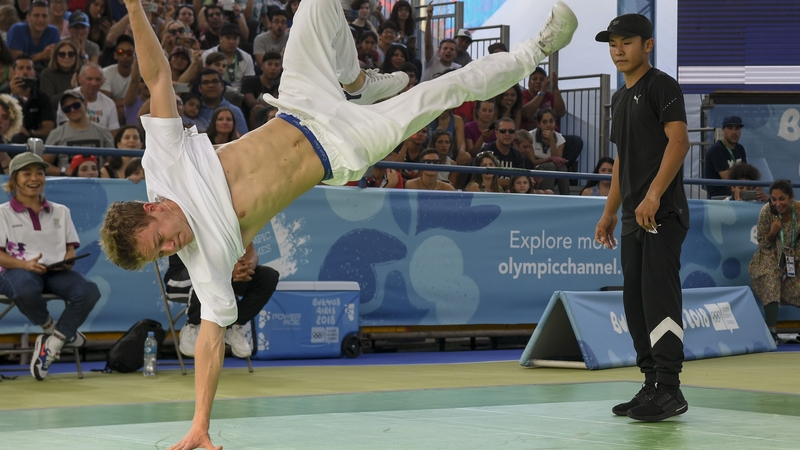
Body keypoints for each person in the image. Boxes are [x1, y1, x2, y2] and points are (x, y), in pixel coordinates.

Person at [100, 1, 576, 448]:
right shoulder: (203, 261)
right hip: (343, 146)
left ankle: (356, 80)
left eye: (160, 240)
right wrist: (200, 424)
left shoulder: (164, 163)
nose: (172, 248)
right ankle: (539, 48)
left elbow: (157, 76)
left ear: (151, 208)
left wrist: (135, 7)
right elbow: (208, 343)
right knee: (444, 91)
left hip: (301, 104)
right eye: (162, 254)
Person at [593, 14, 690, 422]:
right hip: (634, 218)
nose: (618, 50)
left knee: (659, 299)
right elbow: (621, 161)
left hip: (662, 213)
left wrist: (652, 195)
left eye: (627, 42)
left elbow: (679, 142)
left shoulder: (661, 85)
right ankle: (651, 383)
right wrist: (610, 211)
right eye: (612, 43)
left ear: (647, 45)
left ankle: (670, 388)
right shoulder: (619, 98)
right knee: (634, 302)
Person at [0, 152, 101, 380]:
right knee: (25, 288)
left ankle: (53, 343)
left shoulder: (61, 211)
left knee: (89, 291)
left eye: (39, 173)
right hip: (15, 271)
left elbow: (69, 249)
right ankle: (56, 330)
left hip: (54, 272)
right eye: (27, 173)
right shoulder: (2, 213)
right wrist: (25, 265)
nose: (34, 178)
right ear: (14, 178)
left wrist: (68, 260)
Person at [165, 245, 279, 358]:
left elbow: (250, 250)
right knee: (213, 270)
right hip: (181, 277)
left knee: (268, 276)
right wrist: (230, 267)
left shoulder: (235, 230)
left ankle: (233, 325)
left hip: (224, 274)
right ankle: (193, 326)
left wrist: (247, 267)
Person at [749, 179, 800, 344]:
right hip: (769, 255)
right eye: (774, 199)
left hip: (794, 257)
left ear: (791, 196)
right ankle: (771, 333)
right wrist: (772, 232)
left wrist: (795, 259)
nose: (778, 204)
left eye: (782, 198)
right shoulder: (766, 211)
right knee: (770, 279)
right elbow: (763, 243)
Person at [46, 91, 114, 174]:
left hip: (97, 179)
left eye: (76, 105)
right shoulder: (56, 134)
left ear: (85, 104)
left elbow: (112, 162)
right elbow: (45, 165)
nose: (72, 110)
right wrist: (64, 171)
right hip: (69, 181)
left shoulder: (103, 131)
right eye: (67, 108)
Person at [2, 54, 56, 144]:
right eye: (21, 68)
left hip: (35, 142)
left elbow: (49, 128)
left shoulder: (43, 98)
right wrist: (14, 97)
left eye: (29, 68)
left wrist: (30, 133)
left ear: (34, 73)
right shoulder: (2, 96)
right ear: (13, 73)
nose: (25, 72)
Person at [56, 63, 120, 132]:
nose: (94, 83)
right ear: (79, 79)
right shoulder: (67, 99)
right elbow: (65, 130)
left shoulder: (109, 104)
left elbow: (113, 133)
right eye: (89, 79)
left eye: (98, 79)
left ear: (103, 81)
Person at [200, 23, 255, 92]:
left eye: (235, 38)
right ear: (220, 38)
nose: (231, 42)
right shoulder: (207, 55)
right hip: (214, 91)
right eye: (228, 38)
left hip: (239, 94)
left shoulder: (247, 57)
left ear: (239, 40)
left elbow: (248, 84)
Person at [5, 1, 60, 68]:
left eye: (44, 16)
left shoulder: (54, 31)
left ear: (49, 19)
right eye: (36, 15)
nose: (41, 20)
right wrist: (41, 56)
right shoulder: (16, 29)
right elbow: (16, 62)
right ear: (28, 18)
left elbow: (57, 60)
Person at [704, 115, 748, 199]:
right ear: (723, 130)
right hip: (719, 198)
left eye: (737, 128)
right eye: (730, 128)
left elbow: (746, 175)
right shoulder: (716, 150)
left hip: (737, 195)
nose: (734, 132)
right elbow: (727, 178)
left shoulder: (740, 148)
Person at [528, 108, 570, 194]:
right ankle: (547, 195)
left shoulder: (560, 138)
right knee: (551, 166)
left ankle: (566, 197)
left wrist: (552, 140)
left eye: (551, 121)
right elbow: (532, 162)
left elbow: (557, 160)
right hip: (535, 169)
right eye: (544, 122)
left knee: (562, 167)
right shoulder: (530, 136)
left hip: (552, 168)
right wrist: (549, 159)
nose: (548, 125)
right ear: (538, 124)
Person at [479, 117, 527, 190]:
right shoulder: (485, 152)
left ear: (515, 134)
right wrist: (512, 182)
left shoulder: (518, 155)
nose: (507, 134)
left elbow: (521, 181)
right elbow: (483, 181)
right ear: (496, 133)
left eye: (511, 131)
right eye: (503, 131)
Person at [421, 3, 461, 83]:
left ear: (456, 54)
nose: (448, 51)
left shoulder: (458, 69)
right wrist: (428, 18)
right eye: (445, 48)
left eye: (451, 49)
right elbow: (428, 44)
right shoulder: (432, 62)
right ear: (439, 51)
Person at [101, 35, 136, 124]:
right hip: (113, 111)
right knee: (120, 110)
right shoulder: (106, 73)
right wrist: (125, 103)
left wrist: (119, 101)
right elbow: (106, 102)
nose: (125, 56)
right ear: (115, 55)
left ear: (134, 55)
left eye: (129, 53)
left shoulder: (140, 73)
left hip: (134, 108)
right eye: (121, 52)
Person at [38, 41, 82, 106]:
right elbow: (48, 102)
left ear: (76, 57)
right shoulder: (47, 74)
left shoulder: (82, 72)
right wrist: (72, 90)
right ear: (56, 57)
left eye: (71, 54)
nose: (67, 57)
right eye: (62, 54)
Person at [0, 94, 23, 172]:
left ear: (11, 124)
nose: (0, 121)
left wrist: (3, 158)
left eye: (5, 118)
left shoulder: (16, 147)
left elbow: (14, 178)